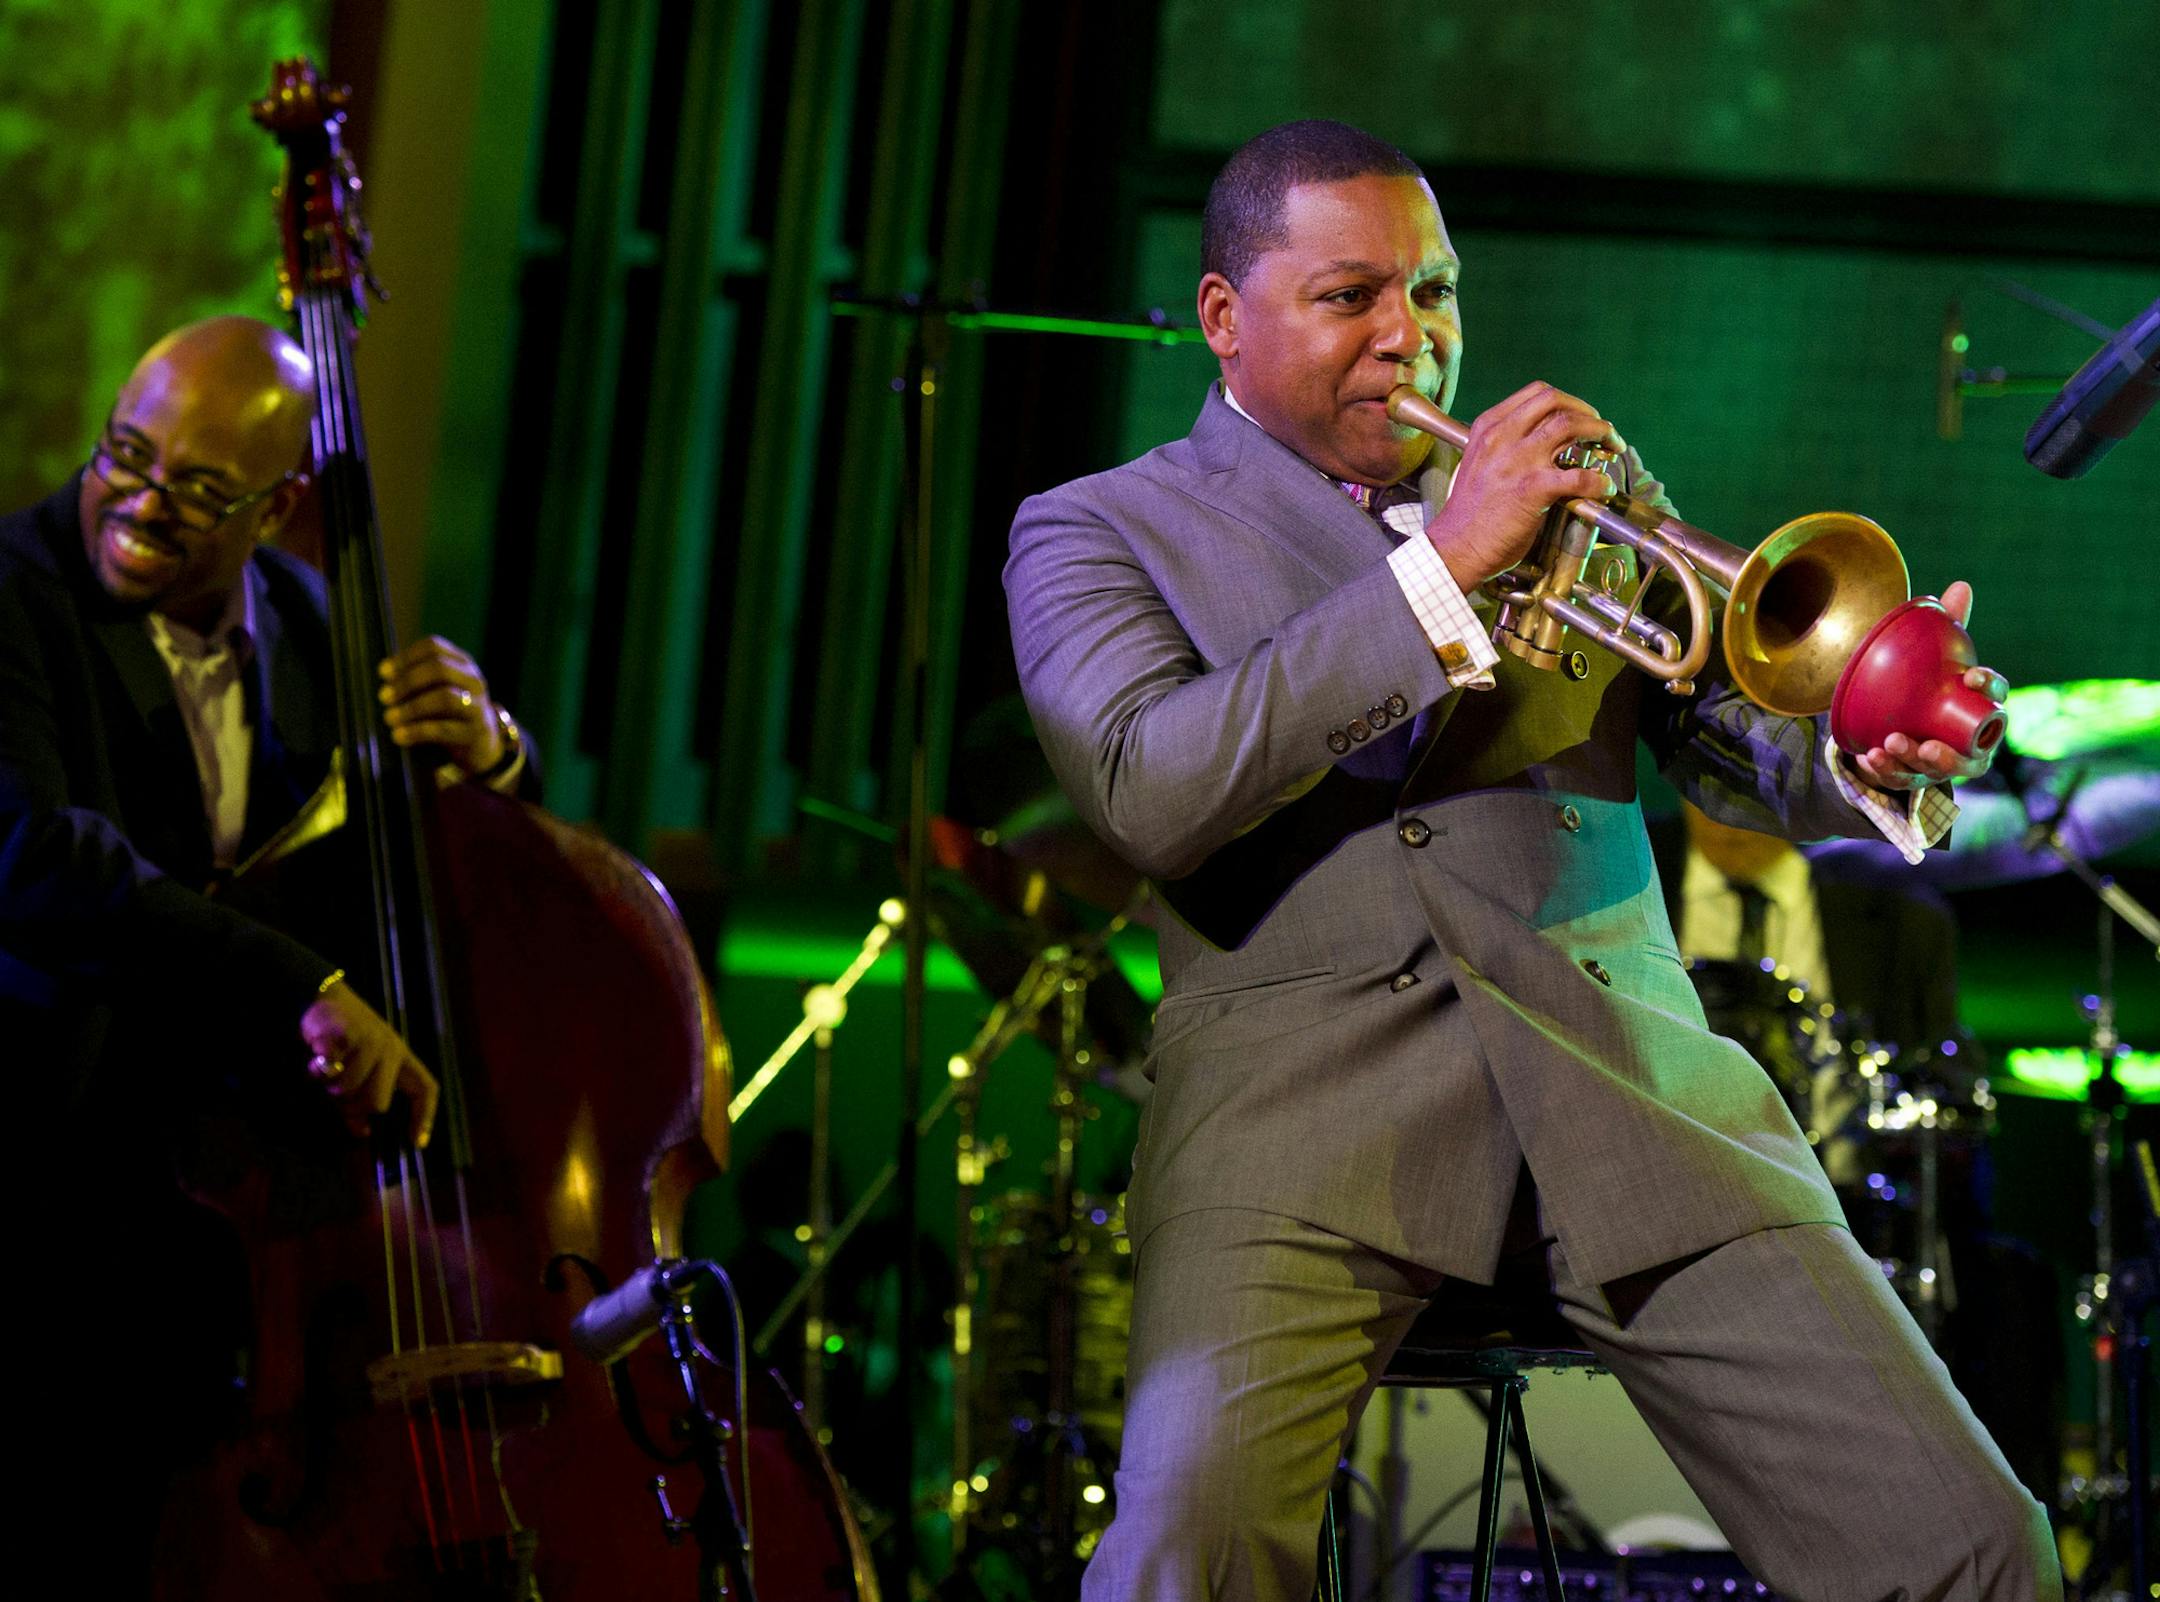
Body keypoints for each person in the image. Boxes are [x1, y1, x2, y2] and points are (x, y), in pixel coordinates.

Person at [1003, 121, 2058, 1601]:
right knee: (1182, 1561)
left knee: (1976, 1543)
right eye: (1352, 296)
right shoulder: (1098, 531)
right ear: (1224, 319)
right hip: (1302, 1133)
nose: (1411, 342)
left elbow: (1726, 737)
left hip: (1629, 1097)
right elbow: (1149, 787)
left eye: (1434, 294)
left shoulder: (1571, 481)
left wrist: (1860, 755)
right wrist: (1443, 573)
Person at [0, 315, 532, 1576]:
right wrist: (306, 988)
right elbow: (39, 865)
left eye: (196, 488)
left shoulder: (305, 615)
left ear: (278, 504)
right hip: (50, 1198)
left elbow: (404, 871)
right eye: (123, 455)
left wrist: (497, 756)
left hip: (232, 1250)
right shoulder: (15, 596)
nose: (135, 503)